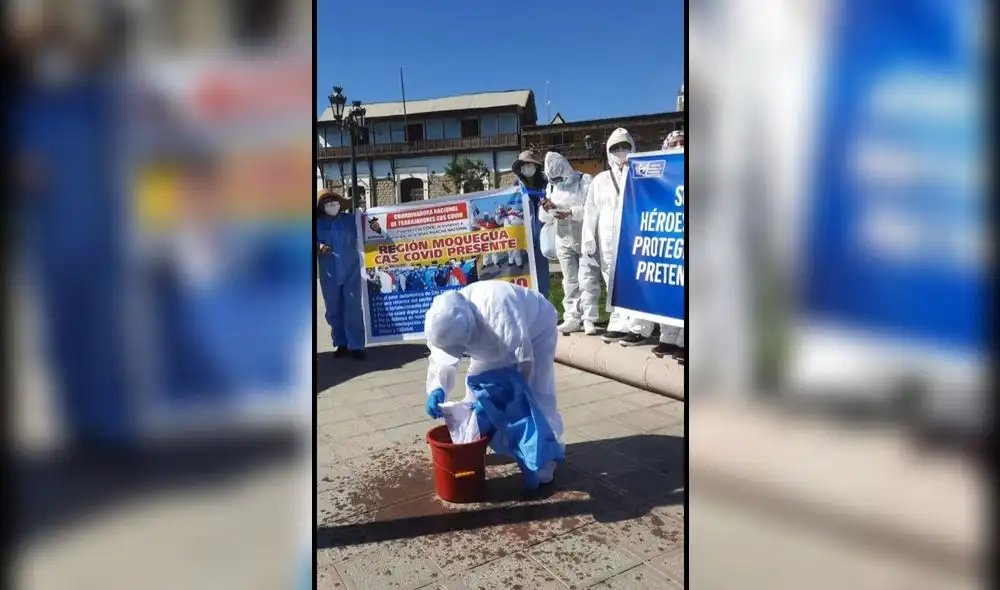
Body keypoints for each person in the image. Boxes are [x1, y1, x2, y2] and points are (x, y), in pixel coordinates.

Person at [423, 281, 563, 488]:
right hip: (491, 339)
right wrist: (438, 387)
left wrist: (502, 397)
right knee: (476, 394)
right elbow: (440, 355)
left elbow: (522, 365)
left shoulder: (500, 310)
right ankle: (476, 443)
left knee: (536, 394)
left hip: (535, 331)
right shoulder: (445, 314)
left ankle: (544, 456)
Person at [582, 127, 642, 343]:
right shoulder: (600, 180)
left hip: (635, 233)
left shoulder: (642, 173)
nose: (621, 151)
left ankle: (638, 326)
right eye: (616, 147)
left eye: (625, 146)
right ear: (608, 150)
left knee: (637, 278)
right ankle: (618, 322)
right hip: (607, 236)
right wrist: (589, 238)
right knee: (612, 280)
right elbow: (591, 211)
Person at [538, 151, 600, 335]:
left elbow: (592, 208)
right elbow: (544, 218)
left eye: (559, 178)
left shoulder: (584, 181)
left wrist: (570, 212)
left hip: (583, 234)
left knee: (587, 277)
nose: (558, 182)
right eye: (554, 180)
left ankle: (589, 318)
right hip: (562, 236)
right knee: (569, 280)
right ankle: (572, 317)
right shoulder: (551, 187)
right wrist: (548, 209)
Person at [316, 190, 365, 360]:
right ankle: (341, 343)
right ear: (321, 207)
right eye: (326, 201)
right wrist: (318, 246)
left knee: (353, 309)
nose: (331, 204)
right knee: (333, 311)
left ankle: (357, 346)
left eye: (333, 200)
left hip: (351, 271)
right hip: (329, 274)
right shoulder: (316, 223)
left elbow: (370, 229)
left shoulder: (351, 220)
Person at [511, 150, 551, 297]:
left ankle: (544, 305)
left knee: (542, 273)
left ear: (536, 166)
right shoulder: (515, 187)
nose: (527, 167)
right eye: (524, 165)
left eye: (530, 164)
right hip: (523, 237)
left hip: (542, 234)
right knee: (524, 274)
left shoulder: (546, 185)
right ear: (520, 168)